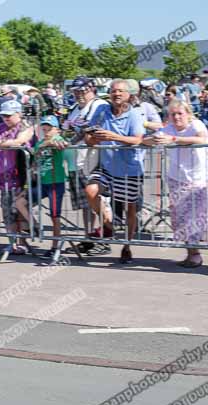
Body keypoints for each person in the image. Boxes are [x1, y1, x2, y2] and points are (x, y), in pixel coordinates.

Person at [84, 79, 146, 264]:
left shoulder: (134, 114)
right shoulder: (102, 111)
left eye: (120, 91)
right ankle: (108, 226)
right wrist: (93, 139)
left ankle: (127, 247)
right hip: (107, 166)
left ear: (128, 95)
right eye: (113, 91)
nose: (116, 94)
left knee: (130, 209)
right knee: (90, 191)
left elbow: (137, 139)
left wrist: (113, 137)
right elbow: (89, 135)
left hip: (129, 168)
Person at [144, 100, 208, 267]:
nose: (177, 117)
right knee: (180, 219)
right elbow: (150, 140)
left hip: (197, 179)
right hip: (175, 179)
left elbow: (201, 139)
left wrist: (174, 138)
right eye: (173, 114)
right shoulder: (169, 128)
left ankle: (195, 254)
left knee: (196, 218)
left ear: (188, 114)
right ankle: (192, 254)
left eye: (180, 113)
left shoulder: (196, 124)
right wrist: (153, 139)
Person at [61, 76, 110, 255]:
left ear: (91, 89)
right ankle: (89, 237)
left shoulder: (98, 105)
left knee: (97, 200)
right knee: (84, 204)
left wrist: (70, 137)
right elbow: (65, 128)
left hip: (92, 161)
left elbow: (87, 130)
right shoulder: (74, 108)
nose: (79, 94)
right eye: (76, 91)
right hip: (75, 161)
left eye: (83, 90)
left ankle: (104, 238)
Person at [0, 100, 36, 254]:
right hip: (3, 176)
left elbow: (18, 142)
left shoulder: (26, 127)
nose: (6, 118)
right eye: (3, 115)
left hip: (20, 175)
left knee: (19, 209)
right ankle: (12, 242)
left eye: (9, 115)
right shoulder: (1, 128)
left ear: (18, 114)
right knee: (7, 210)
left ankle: (23, 241)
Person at [28, 115, 74, 259]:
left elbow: (64, 144)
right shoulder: (40, 142)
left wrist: (56, 142)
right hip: (42, 182)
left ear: (56, 129)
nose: (46, 129)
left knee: (55, 215)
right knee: (21, 202)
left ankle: (56, 246)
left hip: (55, 182)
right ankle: (34, 227)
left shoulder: (57, 139)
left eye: (50, 127)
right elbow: (35, 158)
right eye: (44, 126)